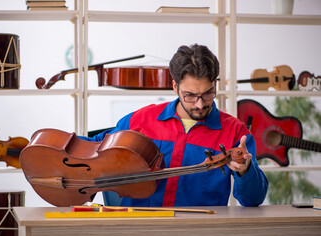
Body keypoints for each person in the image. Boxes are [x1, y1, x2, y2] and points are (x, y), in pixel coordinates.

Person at [79, 44, 268, 207]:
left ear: (215, 85)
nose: (200, 104)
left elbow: (253, 200)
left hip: (199, 231)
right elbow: (92, 147)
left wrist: (245, 170)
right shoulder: (140, 120)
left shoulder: (235, 132)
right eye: (190, 95)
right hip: (139, 229)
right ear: (175, 87)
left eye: (208, 93)